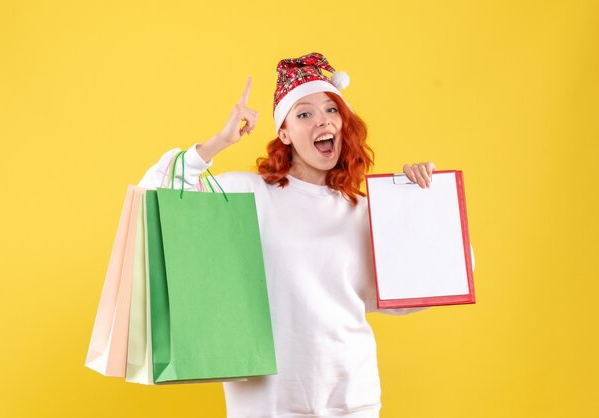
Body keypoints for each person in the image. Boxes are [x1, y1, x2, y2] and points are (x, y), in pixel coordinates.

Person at [138, 52, 460, 418]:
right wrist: (218, 142)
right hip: (267, 403)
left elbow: (428, 286)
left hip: (353, 400)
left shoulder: (364, 210)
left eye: (331, 110)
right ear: (284, 133)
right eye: (304, 114)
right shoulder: (247, 194)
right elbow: (155, 194)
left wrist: (422, 203)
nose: (322, 121)